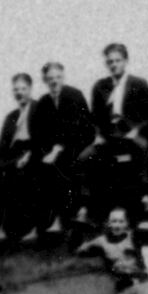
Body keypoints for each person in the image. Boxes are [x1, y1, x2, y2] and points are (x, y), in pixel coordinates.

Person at [84, 42, 148, 224]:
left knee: (141, 148)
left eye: (117, 60)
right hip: (109, 136)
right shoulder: (100, 86)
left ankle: (144, 198)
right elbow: (95, 118)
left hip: (130, 133)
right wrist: (98, 134)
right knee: (86, 157)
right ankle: (95, 207)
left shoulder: (139, 83)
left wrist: (136, 130)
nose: (113, 64)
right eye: (110, 62)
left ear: (126, 61)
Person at [0, 73, 49, 239]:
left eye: (23, 89)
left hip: (32, 152)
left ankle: (9, 228)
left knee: (12, 176)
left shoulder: (40, 108)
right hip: (11, 155)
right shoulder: (11, 117)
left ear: (30, 89)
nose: (19, 93)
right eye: (16, 90)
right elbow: (1, 146)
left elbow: (44, 138)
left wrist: (30, 154)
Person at [36, 60, 97, 231]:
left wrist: (57, 148)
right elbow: (41, 133)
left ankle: (77, 213)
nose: (54, 81)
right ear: (45, 81)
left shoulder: (74, 95)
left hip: (80, 141)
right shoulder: (44, 102)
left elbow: (83, 127)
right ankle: (56, 217)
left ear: (63, 78)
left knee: (66, 163)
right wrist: (47, 151)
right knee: (44, 166)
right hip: (56, 149)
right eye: (50, 78)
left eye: (58, 77)